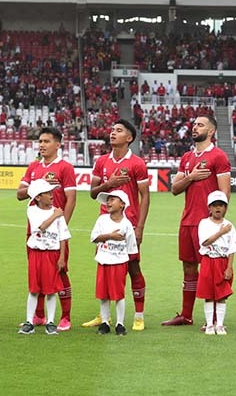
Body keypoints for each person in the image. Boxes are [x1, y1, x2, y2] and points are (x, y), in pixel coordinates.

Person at [163, 115, 230, 327]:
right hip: (187, 220)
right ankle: (186, 315)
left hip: (207, 223)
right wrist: (190, 177)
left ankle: (214, 318)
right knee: (189, 268)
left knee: (211, 269)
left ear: (211, 131)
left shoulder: (218, 156)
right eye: (194, 124)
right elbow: (174, 188)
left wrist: (216, 222)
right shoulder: (186, 158)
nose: (194, 127)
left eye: (200, 125)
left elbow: (225, 193)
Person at [83, 119, 150, 331]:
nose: (113, 133)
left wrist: (139, 227)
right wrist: (108, 184)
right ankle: (104, 316)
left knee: (133, 267)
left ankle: (138, 316)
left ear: (129, 138)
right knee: (105, 267)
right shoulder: (102, 161)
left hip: (127, 226)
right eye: (112, 130)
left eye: (119, 131)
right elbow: (93, 193)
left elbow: (145, 196)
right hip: (105, 224)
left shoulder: (137, 163)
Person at [16, 126, 77, 331]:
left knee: (60, 270)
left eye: (46, 141)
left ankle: (65, 316)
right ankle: (39, 316)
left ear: (58, 145)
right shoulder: (34, 167)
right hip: (34, 229)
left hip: (55, 230)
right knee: (37, 272)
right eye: (40, 141)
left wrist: (62, 227)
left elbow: (71, 199)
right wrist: (36, 186)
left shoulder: (65, 168)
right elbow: (20, 193)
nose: (41, 145)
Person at [19, 179, 71, 336]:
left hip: (52, 254)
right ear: (38, 197)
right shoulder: (33, 211)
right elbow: (40, 227)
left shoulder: (57, 212)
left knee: (50, 290)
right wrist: (55, 215)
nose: (52, 195)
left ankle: (50, 322)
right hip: (37, 253)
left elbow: (63, 236)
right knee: (34, 289)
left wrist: (62, 257)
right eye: (48, 193)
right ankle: (29, 321)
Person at [91, 190, 138, 336]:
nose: (108, 203)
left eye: (112, 200)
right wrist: (109, 236)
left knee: (118, 294)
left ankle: (120, 323)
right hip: (103, 261)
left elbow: (131, 247)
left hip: (119, 262)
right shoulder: (102, 220)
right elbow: (93, 237)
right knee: (103, 294)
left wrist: (124, 262)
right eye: (108, 200)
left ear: (122, 204)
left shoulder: (127, 224)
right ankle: (105, 322)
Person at [197, 190, 236, 335]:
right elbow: (205, 242)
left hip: (222, 262)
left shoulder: (229, 225)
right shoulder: (204, 223)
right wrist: (221, 232)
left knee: (221, 295)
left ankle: (220, 324)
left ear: (225, 208)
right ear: (209, 207)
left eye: (221, 205)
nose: (218, 208)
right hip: (208, 261)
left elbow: (232, 248)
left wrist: (229, 267)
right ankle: (209, 324)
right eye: (214, 205)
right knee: (208, 294)